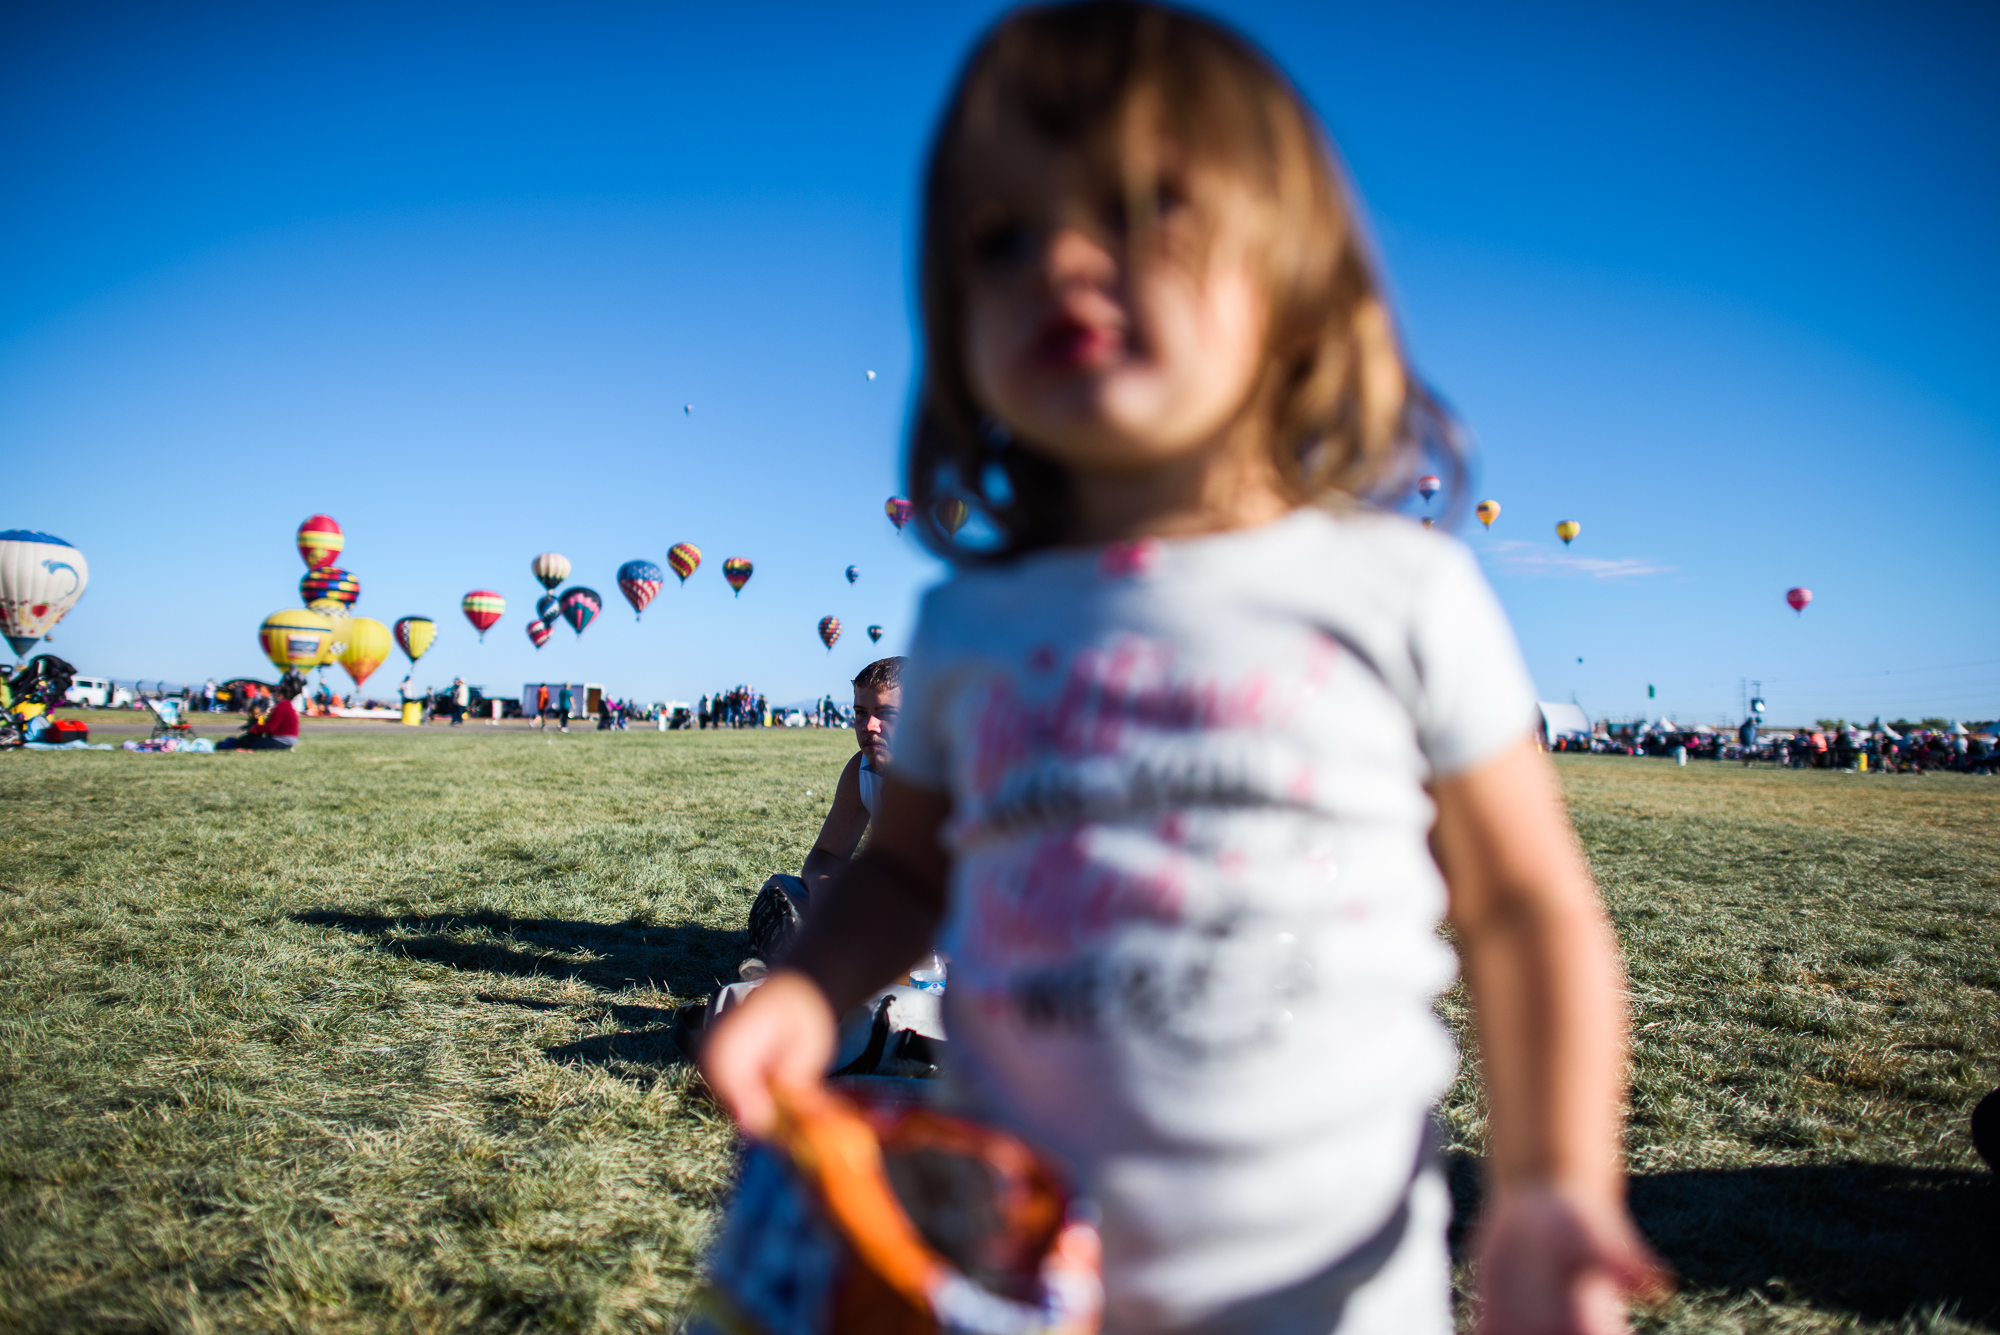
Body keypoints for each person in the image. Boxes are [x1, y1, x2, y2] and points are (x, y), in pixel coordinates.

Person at [700, 7, 1665, 1333]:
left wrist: (1554, 1180)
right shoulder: (974, 627)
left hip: (1323, 1278)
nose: (1065, 262)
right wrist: (811, 984)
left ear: (1297, 275)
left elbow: (1526, 910)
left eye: (1144, 209)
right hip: (1021, 1251)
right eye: (1002, 238)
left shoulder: (1397, 589)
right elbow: (909, 870)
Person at [218, 672, 302, 751]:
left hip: (282, 739)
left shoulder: (280, 707)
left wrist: (253, 729)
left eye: (275, 694)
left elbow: (270, 726)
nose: (273, 695)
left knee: (250, 744)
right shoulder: (287, 705)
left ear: (280, 695)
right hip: (289, 738)